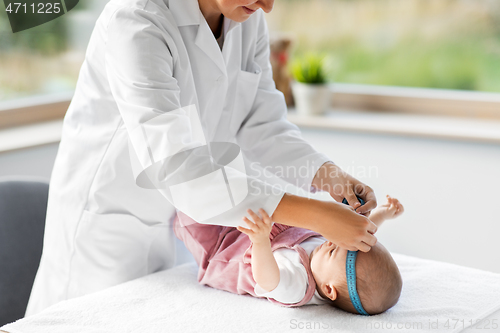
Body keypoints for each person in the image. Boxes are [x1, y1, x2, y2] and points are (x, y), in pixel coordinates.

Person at [26, 0, 378, 316]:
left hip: (177, 220)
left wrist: (326, 174)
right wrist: (316, 215)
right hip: (104, 227)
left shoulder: (246, 17)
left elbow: (260, 122)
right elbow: (179, 166)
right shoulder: (136, 19)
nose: (268, 6)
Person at [174, 195, 403, 314]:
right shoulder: (333, 262)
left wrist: (260, 241)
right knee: (219, 192)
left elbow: (269, 280)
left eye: (333, 249)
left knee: (189, 214)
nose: (332, 242)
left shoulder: (298, 287)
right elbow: (359, 237)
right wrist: (382, 214)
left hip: (223, 250)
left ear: (329, 289)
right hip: (250, 225)